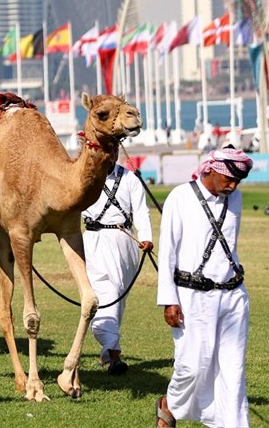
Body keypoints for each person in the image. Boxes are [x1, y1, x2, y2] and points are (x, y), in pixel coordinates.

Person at [156, 146, 251, 428]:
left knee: (233, 370)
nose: (232, 186)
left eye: (238, 182)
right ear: (211, 170)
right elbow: (168, 252)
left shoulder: (236, 198)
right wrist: (168, 300)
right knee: (192, 366)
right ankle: (169, 405)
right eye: (228, 180)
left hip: (233, 297)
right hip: (192, 297)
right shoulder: (181, 197)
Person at [82, 163, 154, 374]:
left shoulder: (130, 178)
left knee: (118, 299)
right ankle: (114, 355)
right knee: (107, 295)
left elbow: (141, 210)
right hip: (95, 242)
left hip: (125, 243)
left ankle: (107, 352)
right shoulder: (86, 173)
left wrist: (146, 237)